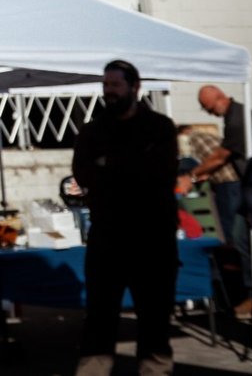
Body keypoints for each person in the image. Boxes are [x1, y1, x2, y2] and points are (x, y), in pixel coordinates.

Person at [72, 60, 179, 376]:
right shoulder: (92, 131)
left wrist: (110, 167)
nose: (109, 91)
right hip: (108, 239)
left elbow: (160, 174)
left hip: (153, 240)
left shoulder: (160, 127)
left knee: (155, 316)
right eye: (106, 85)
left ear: (135, 87)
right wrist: (126, 167)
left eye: (115, 85)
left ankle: (155, 370)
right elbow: (83, 174)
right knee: (99, 316)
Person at [182, 84, 252, 315]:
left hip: (246, 187)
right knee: (240, 239)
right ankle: (250, 294)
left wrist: (192, 175)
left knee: (239, 239)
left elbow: (221, 156)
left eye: (207, 107)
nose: (208, 112)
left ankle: (251, 294)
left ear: (218, 98)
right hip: (244, 186)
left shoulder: (237, 118)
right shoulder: (235, 115)